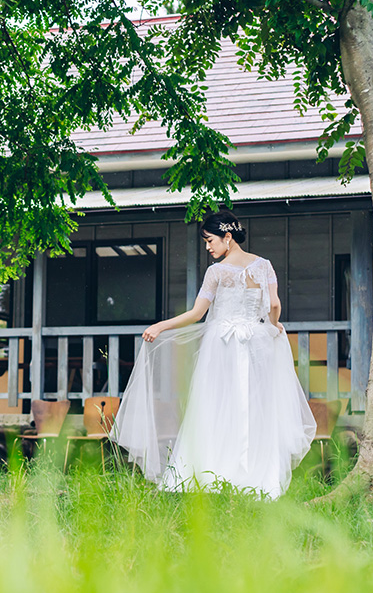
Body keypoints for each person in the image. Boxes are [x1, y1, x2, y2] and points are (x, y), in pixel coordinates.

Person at [110, 211, 316, 499]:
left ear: (227, 237)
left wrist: (160, 325)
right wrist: (274, 324)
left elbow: (196, 314)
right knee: (252, 407)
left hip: (222, 345)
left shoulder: (217, 272)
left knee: (216, 405)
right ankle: (253, 473)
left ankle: (214, 470)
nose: (208, 247)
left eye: (210, 240)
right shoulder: (264, 266)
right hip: (256, 342)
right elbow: (275, 305)